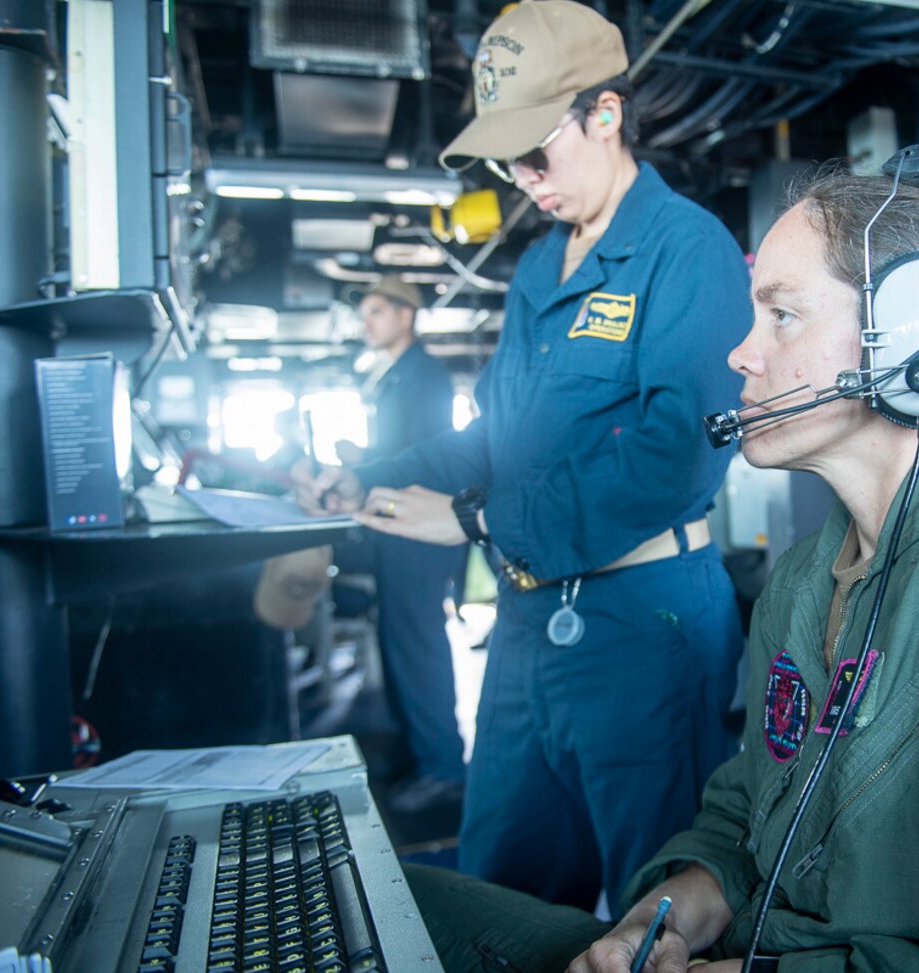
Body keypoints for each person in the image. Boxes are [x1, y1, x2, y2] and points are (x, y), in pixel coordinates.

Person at [395, 149, 919, 972]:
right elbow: (746, 815)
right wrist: (659, 919)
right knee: (409, 905)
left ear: (915, 340)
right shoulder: (803, 578)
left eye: (781, 315)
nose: (740, 354)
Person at [294, 0, 750, 911]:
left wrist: (475, 519)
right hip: (528, 624)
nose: (525, 178)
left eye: (539, 152)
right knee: (500, 893)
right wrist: (376, 477)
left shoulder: (686, 250)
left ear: (607, 114)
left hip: (643, 626)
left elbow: (674, 462)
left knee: (654, 912)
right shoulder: (541, 269)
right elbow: (493, 436)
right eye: (509, 161)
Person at [345, 275, 469, 813]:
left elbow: (428, 455)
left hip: (417, 527)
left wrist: (371, 467)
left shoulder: (423, 376)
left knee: (418, 646)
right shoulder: (396, 376)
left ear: (406, 315)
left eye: (375, 311)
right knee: (400, 645)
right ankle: (415, 754)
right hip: (395, 524)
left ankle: (443, 766)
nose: (365, 322)